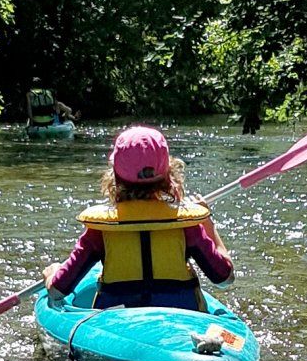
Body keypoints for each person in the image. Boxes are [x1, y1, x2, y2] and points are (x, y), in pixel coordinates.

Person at [43, 125, 236, 311]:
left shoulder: (101, 228)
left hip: (118, 319)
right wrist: (208, 224)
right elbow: (224, 278)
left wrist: (52, 273)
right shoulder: (187, 224)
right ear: (168, 174)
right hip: (179, 315)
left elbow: (57, 291)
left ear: (115, 176)